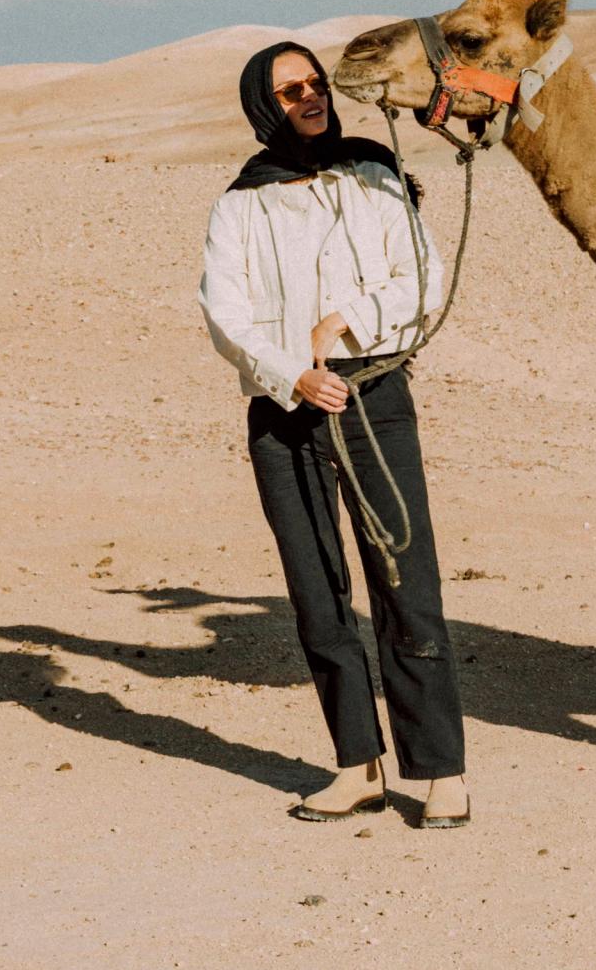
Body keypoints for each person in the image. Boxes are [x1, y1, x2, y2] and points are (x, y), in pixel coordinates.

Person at [199, 42, 470, 827]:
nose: (310, 96)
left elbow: (422, 278)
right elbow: (225, 311)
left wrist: (349, 320)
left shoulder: (374, 176)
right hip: (283, 413)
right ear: (265, 105)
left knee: (405, 581)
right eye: (291, 90)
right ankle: (358, 767)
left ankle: (442, 773)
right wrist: (292, 374)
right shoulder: (241, 204)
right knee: (318, 596)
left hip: (372, 396)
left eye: (315, 83)